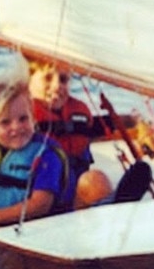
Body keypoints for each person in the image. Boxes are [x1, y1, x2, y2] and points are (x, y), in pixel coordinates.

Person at [0, 60, 74, 232]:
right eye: (5, 122)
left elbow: (40, 205)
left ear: (33, 117)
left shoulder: (46, 157)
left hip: (50, 230)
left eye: (23, 119)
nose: (16, 127)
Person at [27, 59, 113, 207]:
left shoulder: (78, 114)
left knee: (97, 181)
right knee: (95, 181)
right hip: (43, 193)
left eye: (63, 79)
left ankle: (113, 202)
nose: (56, 86)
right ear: (28, 80)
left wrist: (133, 122)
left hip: (75, 189)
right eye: (47, 78)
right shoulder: (21, 119)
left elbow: (98, 126)